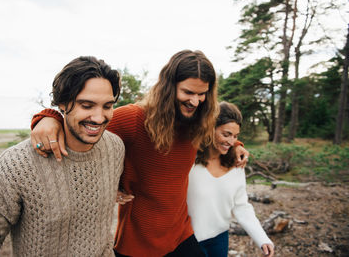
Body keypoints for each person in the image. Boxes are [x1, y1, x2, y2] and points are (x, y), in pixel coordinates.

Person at [30, 50, 250, 256]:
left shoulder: (199, 119)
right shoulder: (136, 119)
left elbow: (221, 131)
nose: (195, 101)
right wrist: (48, 117)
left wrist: (237, 144)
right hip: (138, 242)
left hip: (181, 234)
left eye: (202, 94)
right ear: (169, 87)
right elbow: (89, 124)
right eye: (188, 92)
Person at [0, 56, 125, 256]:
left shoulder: (115, 147)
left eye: (107, 106)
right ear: (63, 104)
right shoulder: (16, 165)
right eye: (87, 105)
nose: (99, 117)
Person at [187, 102, 275, 257]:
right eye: (226, 134)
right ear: (209, 128)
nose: (231, 142)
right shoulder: (189, 163)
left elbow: (241, 206)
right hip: (188, 242)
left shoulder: (237, 165)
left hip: (220, 239)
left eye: (235, 136)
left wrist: (262, 238)